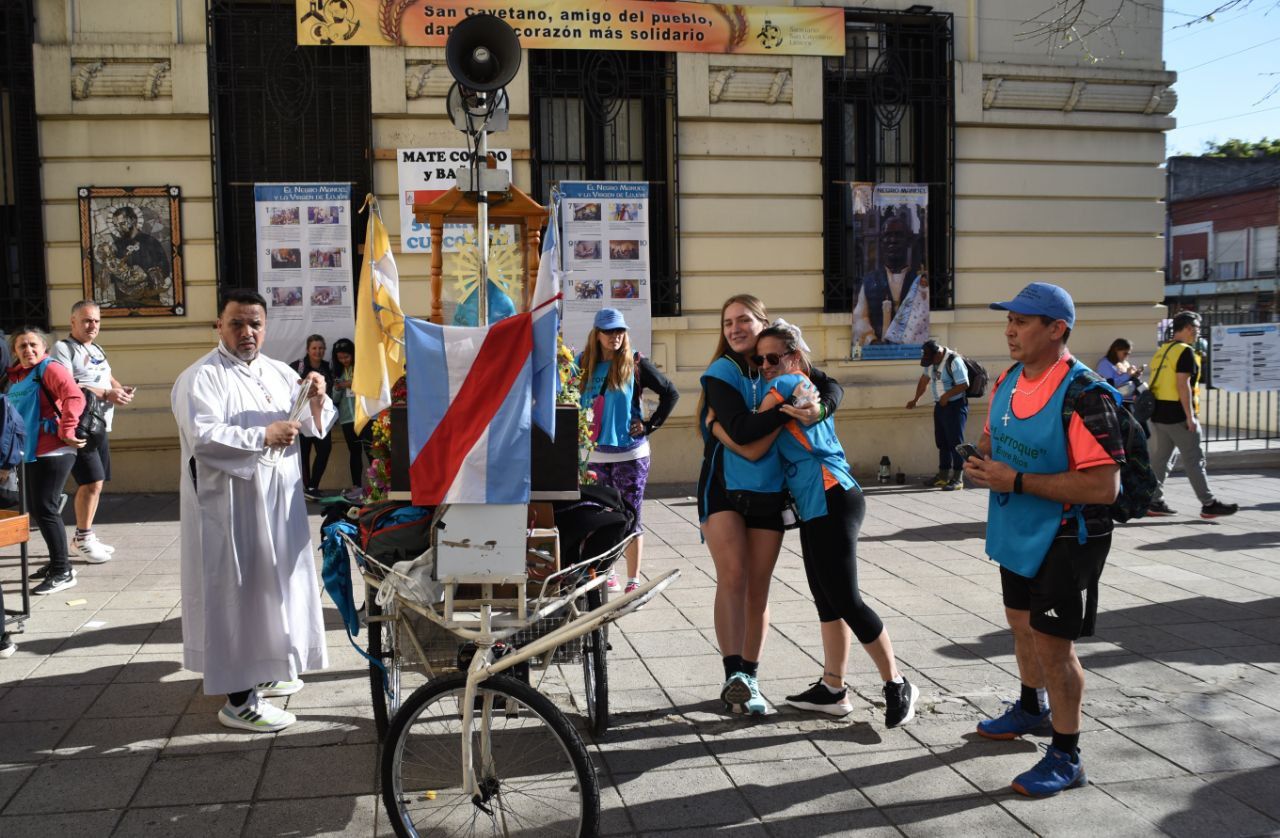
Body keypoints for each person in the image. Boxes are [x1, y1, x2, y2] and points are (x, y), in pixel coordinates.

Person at [708, 322, 918, 728]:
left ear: (794, 356)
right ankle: (833, 690)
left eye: (774, 357)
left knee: (845, 599)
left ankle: (898, 683)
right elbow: (825, 389)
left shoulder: (787, 383)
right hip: (817, 501)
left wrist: (715, 426)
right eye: (759, 359)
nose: (766, 365)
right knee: (827, 598)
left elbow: (748, 441)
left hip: (831, 495)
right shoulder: (800, 381)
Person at [963, 281, 1124, 797]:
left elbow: (1104, 486)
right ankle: (1030, 708)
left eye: (1023, 321)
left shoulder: (1086, 394)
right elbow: (994, 439)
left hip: (1067, 534)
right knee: (1020, 624)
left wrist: (1018, 481)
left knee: (1055, 647)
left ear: (1057, 329)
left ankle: (1067, 754)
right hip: (1017, 526)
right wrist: (981, 462)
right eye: (1009, 319)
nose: (1010, 329)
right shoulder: (1007, 379)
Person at [171, 289, 337, 733]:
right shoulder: (200, 378)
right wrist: (262, 436)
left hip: (280, 501)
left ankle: (265, 666)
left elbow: (315, 425)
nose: (247, 333)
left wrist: (317, 396)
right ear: (219, 326)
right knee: (236, 592)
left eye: (255, 324)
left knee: (274, 588)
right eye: (237, 324)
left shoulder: (280, 370)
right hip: (231, 506)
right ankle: (239, 698)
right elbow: (204, 437)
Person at [698, 294, 840, 716]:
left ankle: (751, 679)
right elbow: (744, 434)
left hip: (771, 492)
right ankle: (732, 676)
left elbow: (830, 386)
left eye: (743, 320)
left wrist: (819, 406)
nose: (735, 329)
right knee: (734, 576)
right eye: (728, 323)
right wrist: (789, 409)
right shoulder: (721, 371)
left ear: (763, 323)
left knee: (758, 588)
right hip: (723, 488)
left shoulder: (780, 358)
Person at [576, 309, 680, 594]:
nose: (616, 336)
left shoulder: (635, 363)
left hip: (629, 456)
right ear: (596, 334)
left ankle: (633, 579)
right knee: (596, 517)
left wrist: (649, 425)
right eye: (609, 331)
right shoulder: (582, 363)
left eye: (620, 331)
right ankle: (605, 571)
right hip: (592, 456)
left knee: (631, 515)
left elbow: (670, 392)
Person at [51, 300, 135, 564]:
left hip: (100, 424)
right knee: (91, 482)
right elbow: (67, 385)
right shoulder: (63, 349)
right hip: (79, 425)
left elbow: (107, 377)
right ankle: (82, 538)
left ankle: (83, 536)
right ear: (72, 322)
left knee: (97, 483)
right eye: (86, 320)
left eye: (96, 321)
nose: (92, 325)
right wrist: (107, 394)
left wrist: (120, 389)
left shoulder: (96, 348)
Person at [6, 327, 86, 595]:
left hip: (54, 450)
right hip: (29, 451)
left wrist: (67, 429)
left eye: (32, 345)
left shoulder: (50, 368)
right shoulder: (18, 376)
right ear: (14, 352)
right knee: (39, 510)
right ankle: (56, 563)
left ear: (43, 348)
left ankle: (63, 571)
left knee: (46, 508)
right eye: (22, 347)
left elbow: (75, 396)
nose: (28, 350)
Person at [1145, 312, 1237, 519]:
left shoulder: (1163, 350)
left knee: (1161, 460)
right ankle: (1209, 503)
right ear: (1187, 328)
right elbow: (1182, 384)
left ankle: (1153, 501)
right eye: (1195, 328)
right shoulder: (1184, 352)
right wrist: (1190, 416)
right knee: (1194, 460)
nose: (1197, 332)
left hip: (1158, 413)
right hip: (1178, 414)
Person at [852, 210, 929, 347]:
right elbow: (860, 317)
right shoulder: (870, 281)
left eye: (898, 235)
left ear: (909, 240)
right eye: (888, 235)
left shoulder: (920, 282)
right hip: (878, 353)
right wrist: (872, 340)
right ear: (882, 242)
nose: (893, 240)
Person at [906, 339, 970, 490]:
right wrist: (915, 400)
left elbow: (964, 384)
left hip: (955, 406)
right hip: (940, 406)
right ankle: (943, 475)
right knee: (942, 442)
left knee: (956, 442)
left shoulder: (954, 361)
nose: (930, 363)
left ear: (939, 353)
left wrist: (947, 396)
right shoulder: (931, 362)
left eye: (931, 359)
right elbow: (924, 381)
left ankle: (958, 478)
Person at [290, 334, 334, 499]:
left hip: (322, 418)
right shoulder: (297, 367)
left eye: (321, 348)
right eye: (314, 348)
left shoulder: (328, 366)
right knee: (304, 453)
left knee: (324, 450)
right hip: (303, 419)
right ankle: (307, 488)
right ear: (308, 350)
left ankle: (313, 485)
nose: (318, 351)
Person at [330, 338, 369, 497]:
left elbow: (369, 387)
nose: (344, 361)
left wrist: (350, 384)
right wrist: (338, 388)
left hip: (366, 416)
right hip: (347, 419)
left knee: (371, 451)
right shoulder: (338, 372)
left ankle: (380, 485)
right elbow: (335, 399)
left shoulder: (362, 368)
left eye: (347, 357)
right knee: (354, 453)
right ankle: (356, 486)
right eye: (340, 358)